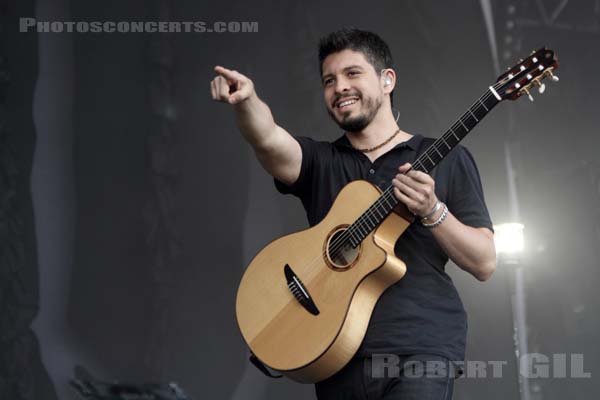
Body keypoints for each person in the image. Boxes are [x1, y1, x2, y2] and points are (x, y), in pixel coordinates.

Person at [210, 28, 496, 400]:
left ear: (387, 79)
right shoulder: (320, 161)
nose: (339, 87)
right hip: (333, 350)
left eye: (352, 73)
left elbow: (485, 262)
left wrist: (433, 210)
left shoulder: (446, 158)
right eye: (329, 80)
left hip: (419, 348)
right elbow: (267, 138)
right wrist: (246, 102)